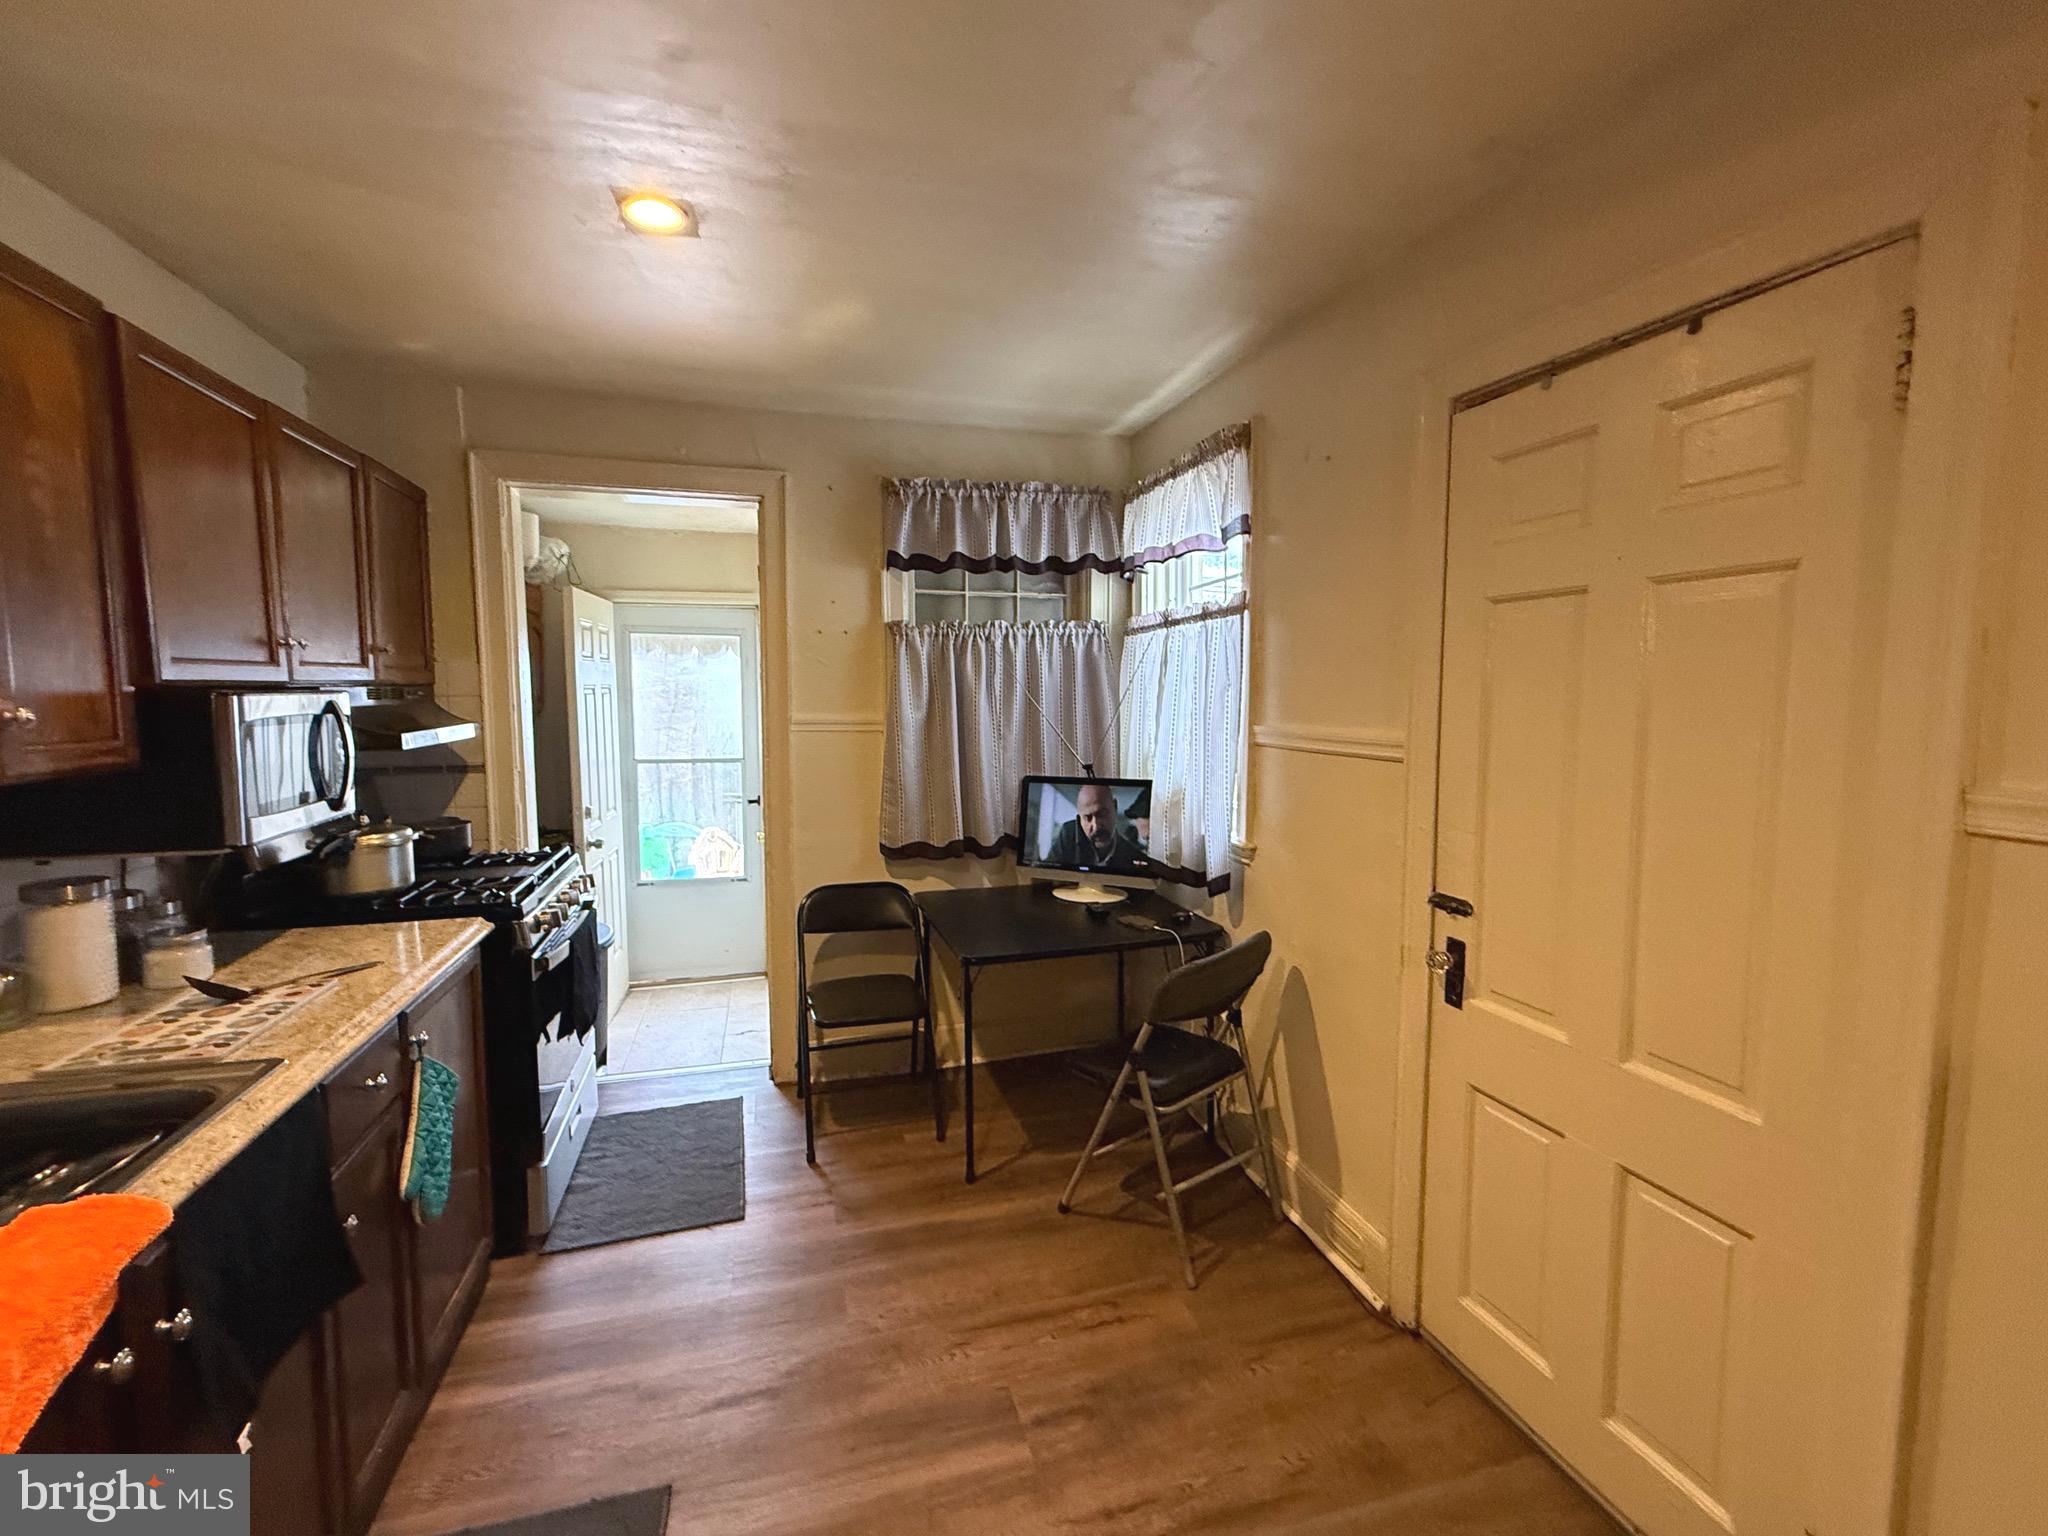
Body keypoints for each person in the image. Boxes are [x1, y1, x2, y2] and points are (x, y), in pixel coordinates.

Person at [1046, 782, 1146, 871]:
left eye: (1102, 814)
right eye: (1087, 817)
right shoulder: (1069, 834)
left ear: (1115, 808)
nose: (1096, 826)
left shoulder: (1133, 857)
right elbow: (1047, 872)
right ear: (1080, 819)